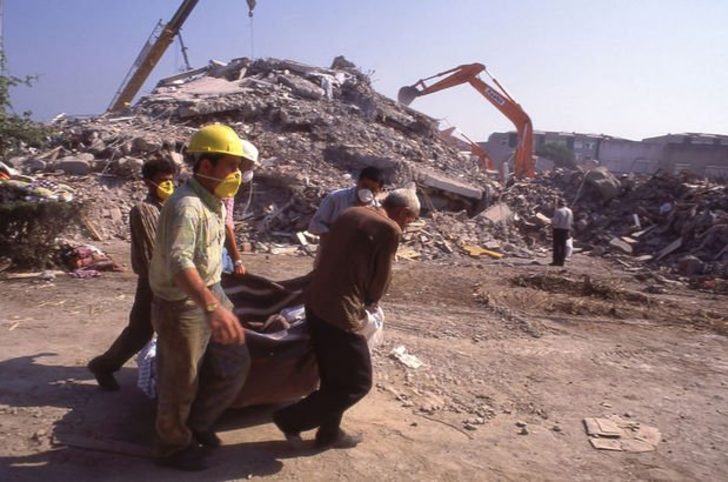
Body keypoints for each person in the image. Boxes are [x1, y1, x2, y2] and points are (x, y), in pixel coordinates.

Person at [273, 185, 420, 450]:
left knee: (335, 377)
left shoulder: (353, 212)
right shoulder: (390, 229)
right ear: (404, 212)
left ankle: (329, 433)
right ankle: (290, 419)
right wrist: (372, 301)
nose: (408, 226)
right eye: (411, 220)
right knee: (357, 382)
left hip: (316, 301)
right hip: (340, 312)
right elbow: (379, 282)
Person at [148, 124, 257, 471]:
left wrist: (217, 298)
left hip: (211, 290)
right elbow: (180, 265)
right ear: (206, 166)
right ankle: (172, 447)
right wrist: (210, 307)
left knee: (235, 360)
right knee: (180, 379)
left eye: (239, 167)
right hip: (181, 304)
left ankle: (198, 423)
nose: (237, 174)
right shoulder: (186, 206)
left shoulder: (214, 201)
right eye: (231, 166)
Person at [87, 158, 177, 391]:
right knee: (140, 333)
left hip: (174, 279)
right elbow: (152, 254)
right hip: (154, 282)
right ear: (148, 183)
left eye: (171, 180)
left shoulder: (171, 207)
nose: (168, 185)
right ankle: (104, 365)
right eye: (162, 181)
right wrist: (165, 284)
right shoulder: (144, 210)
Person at [308, 166, 385, 264]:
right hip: (330, 256)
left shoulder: (377, 209)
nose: (368, 191)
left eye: (373, 189)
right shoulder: (336, 198)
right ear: (358, 182)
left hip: (357, 262)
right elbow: (315, 225)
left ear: (380, 190)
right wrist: (335, 237)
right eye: (365, 186)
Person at [221, 140, 259, 277]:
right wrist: (237, 260)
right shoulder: (223, 188)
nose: (249, 170)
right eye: (249, 165)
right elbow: (225, 226)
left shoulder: (227, 186)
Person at [551, 198, 573, 267]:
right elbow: (571, 221)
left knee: (557, 246)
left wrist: (551, 220)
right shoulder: (570, 211)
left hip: (558, 230)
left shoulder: (558, 211)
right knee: (563, 246)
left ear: (559, 204)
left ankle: (555, 261)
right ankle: (561, 262)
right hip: (566, 230)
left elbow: (556, 222)